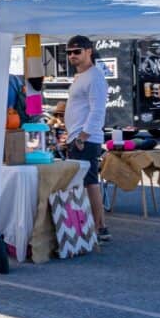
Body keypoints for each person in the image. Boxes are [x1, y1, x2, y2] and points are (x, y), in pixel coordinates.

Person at [63, 35, 110, 241]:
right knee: (83, 183)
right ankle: (93, 225)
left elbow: (97, 112)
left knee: (90, 182)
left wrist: (82, 136)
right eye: (69, 52)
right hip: (78, 137)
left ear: (88, 51)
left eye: (77, 51)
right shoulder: (81, 76)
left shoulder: (95, 76)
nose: (72, 55)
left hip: (86, 139)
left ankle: (100, 228)